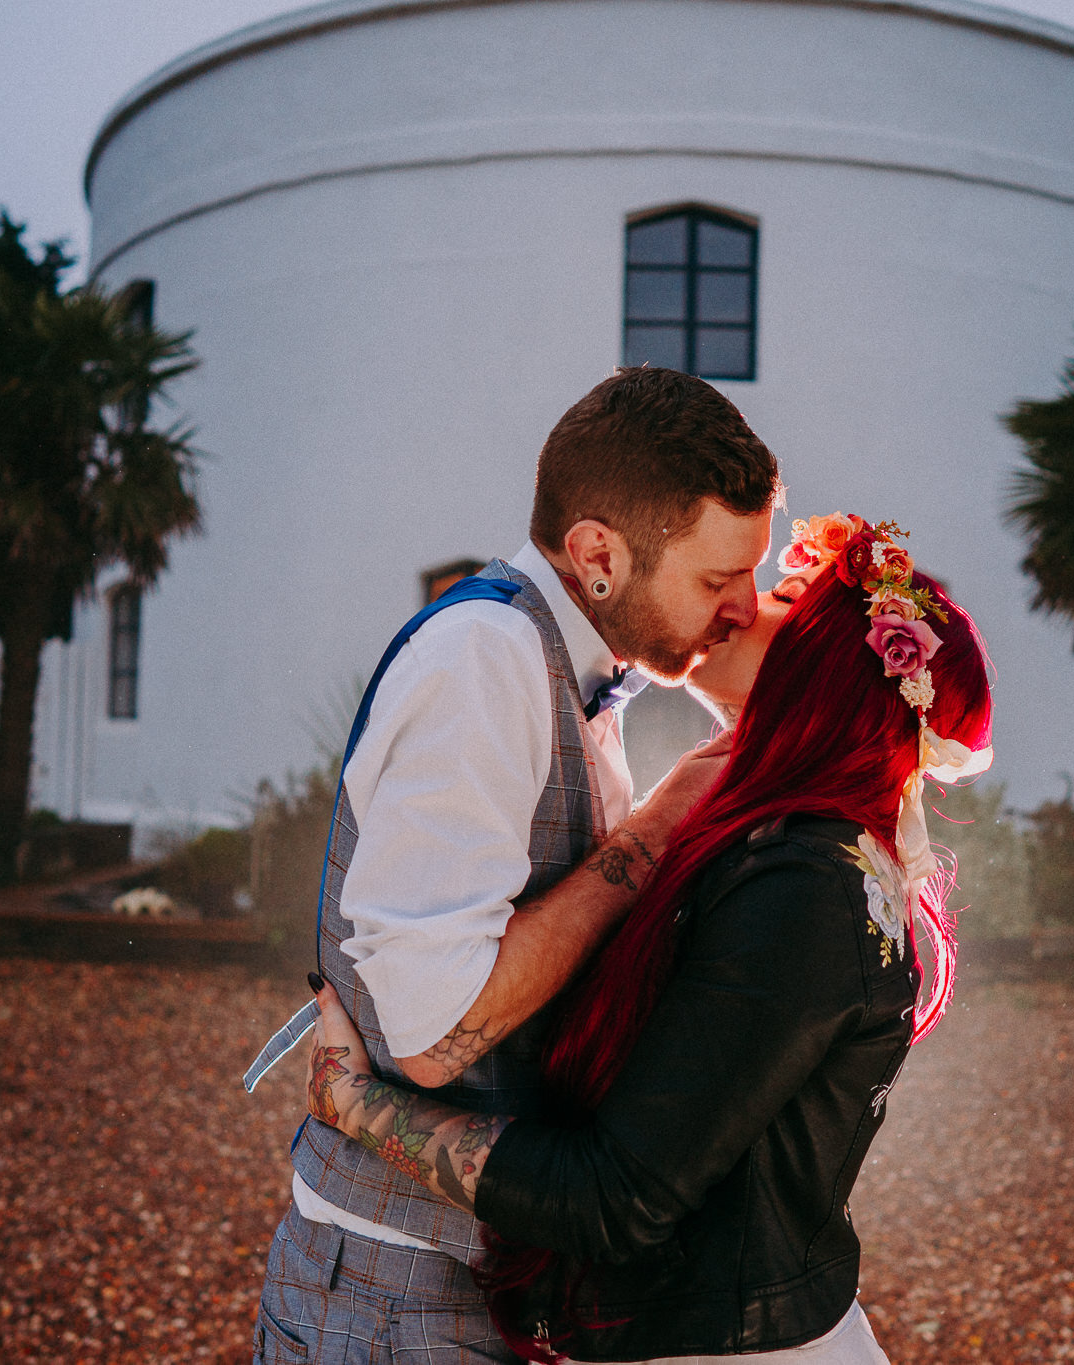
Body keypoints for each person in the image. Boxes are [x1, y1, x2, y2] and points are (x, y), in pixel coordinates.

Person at [302, 513, 995, 1363]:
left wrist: (358, 1105)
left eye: (779, 593)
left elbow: (613, 1196)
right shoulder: (783, 840)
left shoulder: (802, 887)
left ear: (828, 666)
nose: (742, 603)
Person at [252, 367, 784, 1363]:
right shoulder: (484, 658)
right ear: (595, 554)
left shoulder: (573, 667)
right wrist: (658, 825)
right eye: (717, 579)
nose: (741, 608)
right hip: (398, 1292)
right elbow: (436, 1037)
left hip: (476, 1276)